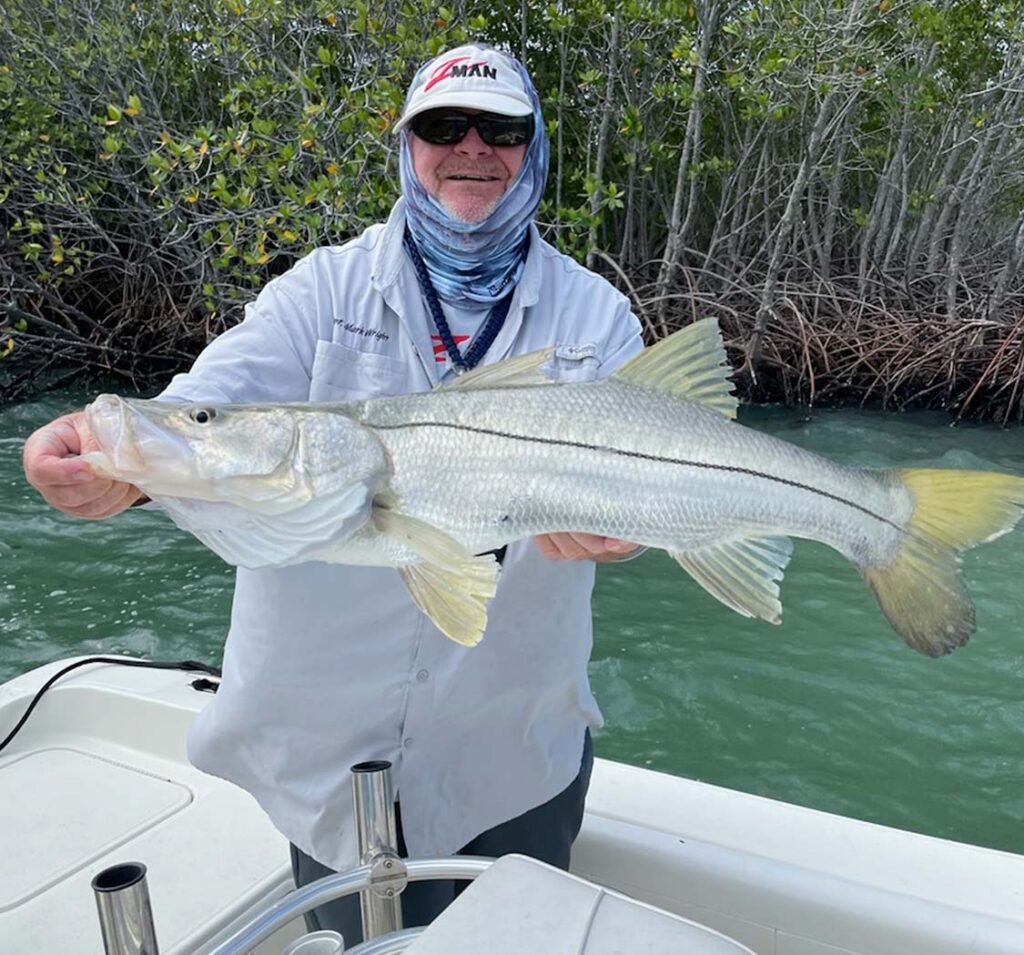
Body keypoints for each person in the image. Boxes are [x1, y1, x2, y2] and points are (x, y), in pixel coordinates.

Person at [22, 43, 644, 941]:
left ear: (535, 148)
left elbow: (659, 479)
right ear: (405, 143)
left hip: (517, 750)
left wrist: (625, 530)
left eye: (502, 128)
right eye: (441, 125)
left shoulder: (597, 317)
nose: (472, 146)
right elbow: (207, 411)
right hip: (332, 765)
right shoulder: (319, 292)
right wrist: (111, 465)